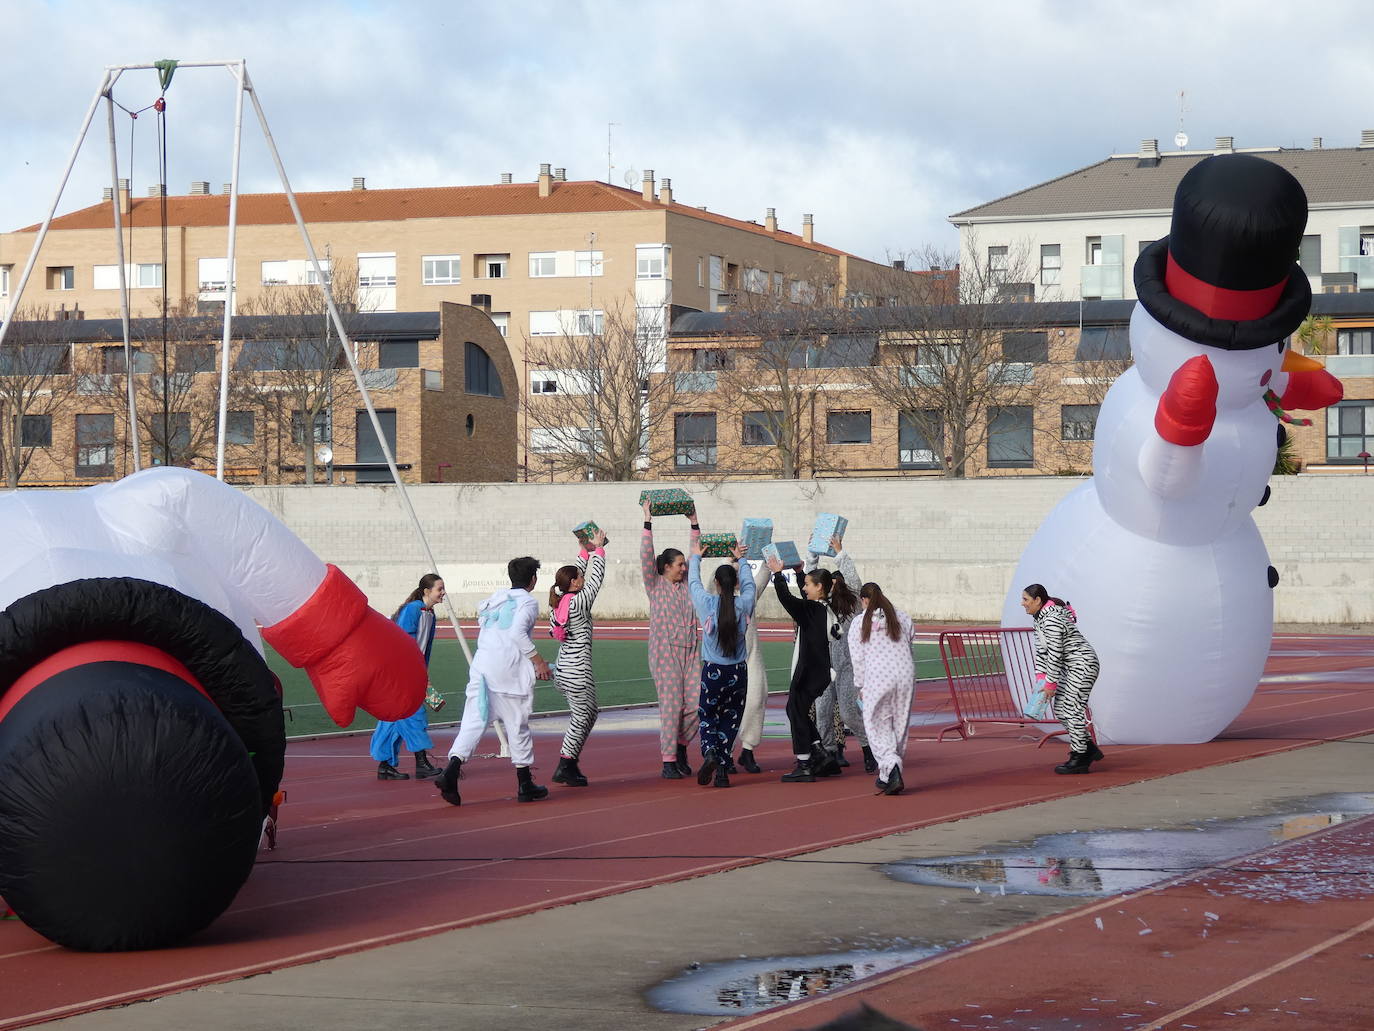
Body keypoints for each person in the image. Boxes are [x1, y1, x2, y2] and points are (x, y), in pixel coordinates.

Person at [435, 557, 552, 805]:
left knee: (473, 723)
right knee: (517, 725)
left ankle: (452, 770)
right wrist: (538, 661)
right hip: (507, 673)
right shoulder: (528, 602)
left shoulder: (495, 599)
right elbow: (518, 633)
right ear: (533, 579)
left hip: (482, 668)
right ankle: (524, 783)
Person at [765, 554, 844, 782]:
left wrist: (778, 574)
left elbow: (787, 599)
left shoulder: (811, 611)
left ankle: (804, 762)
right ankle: (819, 752)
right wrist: (800, 573)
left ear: (819, 587)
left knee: (797, 712)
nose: (805, 588)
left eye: (808, 584)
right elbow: (804, 600)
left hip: (808, 672)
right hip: (820, 672)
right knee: (795, 710)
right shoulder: (824, 609)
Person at [687, 538, 755, 788]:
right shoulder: (744, 603)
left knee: (707, 716)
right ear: (735, 583)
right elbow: (750, 586)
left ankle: (711, 752)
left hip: (713, 670)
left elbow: (693, 583)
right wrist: (742, 560)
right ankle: (723, 771)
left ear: (716, 584)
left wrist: (696, 557)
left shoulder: (707, 604)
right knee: (731, 719)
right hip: (738, 672)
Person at [642, 497, 702, 779]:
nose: (684, 567)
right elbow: (646, 556)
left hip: (691, 652)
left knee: (697, 703)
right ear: (665, 567)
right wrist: (647, 522)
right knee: (671, 705)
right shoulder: (655, 585)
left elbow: (696, 554)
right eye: (679, 564)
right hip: (665, 653)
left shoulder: (690, 586)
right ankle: (668, 760)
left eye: (683, 564)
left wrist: (693, 522)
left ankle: (680, 745)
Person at [807, 537, 876, 773]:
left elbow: (855, 581)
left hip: (846, 668)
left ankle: (868, 749)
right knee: (823, 713)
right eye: (831, 583)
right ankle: (829, 755)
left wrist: (839, 552)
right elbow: (809, 579)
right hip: (823, 668)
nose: (834, 586)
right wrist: (812, 553)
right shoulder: (819, 604)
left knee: (848, 713)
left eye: (838, 582)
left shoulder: (851, 606)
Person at [370, 573, 448, 781]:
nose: (443, 593)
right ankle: (421, 763)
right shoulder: (413, 610)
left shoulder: (430, 615)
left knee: (394, 717)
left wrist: (424, 672)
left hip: (412, 671)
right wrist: (412, 671)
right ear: (426, 591)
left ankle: (385, 764)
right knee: (414, 713)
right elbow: (403, 642)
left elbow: (426, 648)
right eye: (439, 589)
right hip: (400, 671)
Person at [1020, 583, 1104, 774]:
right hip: (1073, 666)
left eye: (1025, 599)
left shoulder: (1051, 620)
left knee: (1071, 708)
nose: (1022, 603)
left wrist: (1050, 683)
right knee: (1061, 709)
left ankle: (1080, 755)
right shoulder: (1040, 619)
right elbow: (1042, 652)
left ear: (1037, 600)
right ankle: (1087, 748)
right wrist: (1042, 679)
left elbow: (1055, 653)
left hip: (1082, 665)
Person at [549, 529, 607, 787]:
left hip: (563, 670)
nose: (581, 577)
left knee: (589, 713)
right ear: (574, 583)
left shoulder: (560, 603)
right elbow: (595, 580)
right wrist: (600, 550)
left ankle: (569, 762)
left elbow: (579, 573)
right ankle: (565, 764)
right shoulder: (579, 603)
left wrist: (585, 549)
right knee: (581, 717)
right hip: (577, 673)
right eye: (578, 577)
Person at [847, 582, 917, 795]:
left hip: (878, 676)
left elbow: (857, 658)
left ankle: (890, 765)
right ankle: (887, 774)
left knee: (876, 724)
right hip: (905, 673)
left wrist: (860, 684)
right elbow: (910, 642)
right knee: (900, 722)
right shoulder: (902, 617)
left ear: (864, 600)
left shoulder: (861, 622)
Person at [735, 557, 774, 774]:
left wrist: (768, 556)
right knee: (728, 708)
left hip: (752, 658)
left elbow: (762, 576)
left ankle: (748, 749)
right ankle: (725, 753)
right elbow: (713, 581)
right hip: (727, 661)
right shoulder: (714, 600)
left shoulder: (748, 598)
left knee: (757, 698)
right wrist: (731, 560)